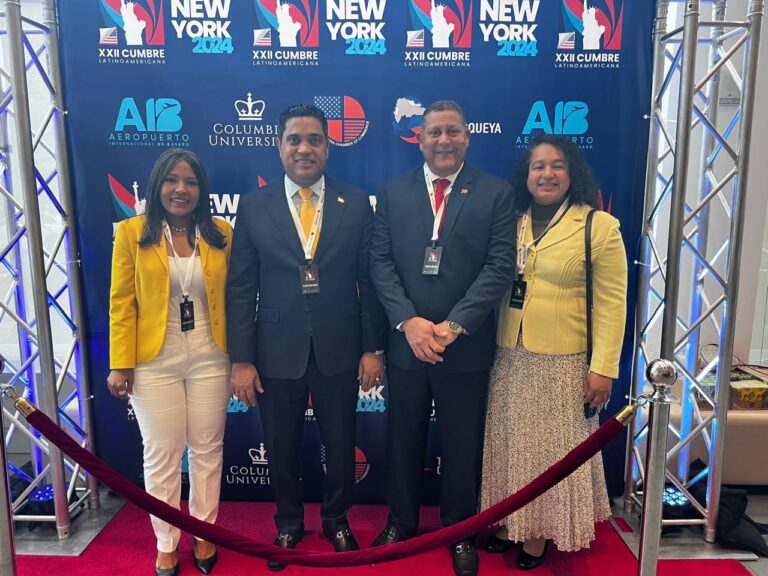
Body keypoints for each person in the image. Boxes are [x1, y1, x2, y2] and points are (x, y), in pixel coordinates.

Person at [226, 103, 386, 571]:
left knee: (341, 442)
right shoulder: (254, 205)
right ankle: (288, 523)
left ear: (328, 147)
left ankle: (337, 521)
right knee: (280, 444)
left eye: (314, 139)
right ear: (279, 146)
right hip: (275, 349)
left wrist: (372, 348)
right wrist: (242, 358)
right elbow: (241, 287)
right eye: (294, 139)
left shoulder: (355, 202)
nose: (304, 148)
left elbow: (370, 281)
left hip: (340, 346)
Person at [369, 100, 516, 576]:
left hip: (464, 347)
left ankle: (460, 531)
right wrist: (408, 322)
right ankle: (400, 524)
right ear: (419, 139)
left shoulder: (495, 194)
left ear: (467, 137)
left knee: (462, 444)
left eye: (453, 131)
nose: (444, 140)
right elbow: (380, 264)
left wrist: (453, 326)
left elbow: (499, 266)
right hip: (406, 343)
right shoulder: (393, 192)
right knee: (402, 438)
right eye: (434, 132)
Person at [479, 134, 627, 570]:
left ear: (572, 172)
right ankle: (513, 522)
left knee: (549, 453)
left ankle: (539, 534)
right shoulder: (509, 220)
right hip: (510, 354)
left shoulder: (597, 226)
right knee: (512, 448)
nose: (547, 174)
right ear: (525, 175)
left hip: (564, 362)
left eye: (557, 165)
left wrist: (603, 368)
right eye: (538, 166)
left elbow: (613, 305)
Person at [107, 149, 233, 576]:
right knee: (162, 453)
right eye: (172, 180)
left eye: (191, 182)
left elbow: (238, 295)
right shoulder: (132, 233)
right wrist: (120, 362)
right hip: (153, 361)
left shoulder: (221, 233)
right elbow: (121, 302)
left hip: (211, 356)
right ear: (157, 184)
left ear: (202, 190)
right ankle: (166, 541)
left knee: (207, 449)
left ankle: (203, 532)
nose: (181, 189)